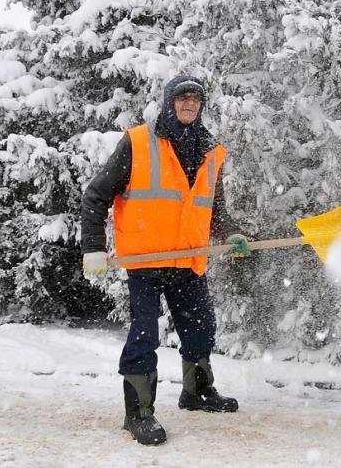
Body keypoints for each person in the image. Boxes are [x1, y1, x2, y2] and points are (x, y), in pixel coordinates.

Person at [80, 74, 251, 446]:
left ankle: (197, 393)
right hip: (146, 261)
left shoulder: (209, 150)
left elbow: (213, 206)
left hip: (188, 260)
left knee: (201, 327)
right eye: (182, 97)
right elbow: (95, 196)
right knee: (145, 335)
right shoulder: (138, 142)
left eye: (196, 98)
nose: (189, 103)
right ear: (168, 101)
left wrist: (229, 233)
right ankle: (138, 413)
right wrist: (92, 247)